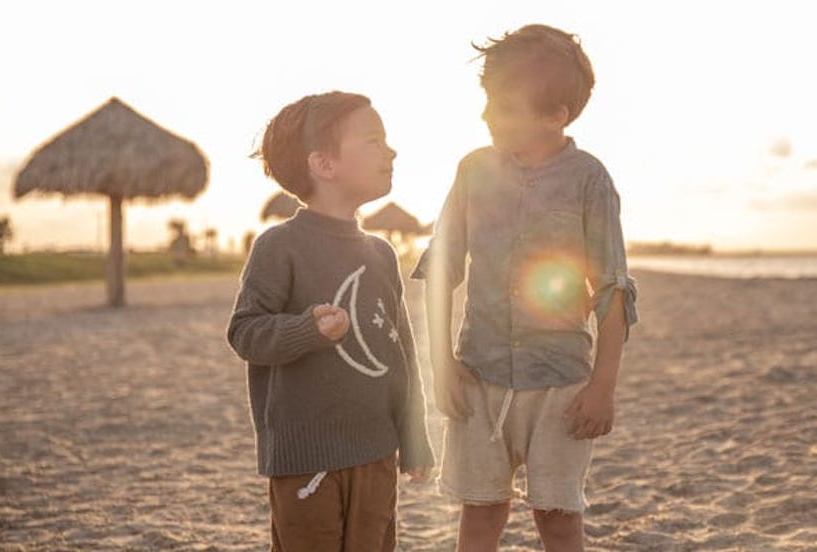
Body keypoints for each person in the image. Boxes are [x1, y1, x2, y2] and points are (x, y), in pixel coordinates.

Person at [412, 24, 639, 552]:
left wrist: (603, 387)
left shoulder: (589, 179)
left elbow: (613, 288)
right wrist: (442, 363)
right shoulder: (472, 171)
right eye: (489, 102)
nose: (488, 116)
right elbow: (443, 268)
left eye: (506, 106)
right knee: (481, 511)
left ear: (555, 115)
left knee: (558, 517)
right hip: (479, 376)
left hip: (561, 382)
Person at [227, 90, 434, 551]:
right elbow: (244, 331)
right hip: (306, 460)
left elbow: (401, 352)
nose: (391, 151)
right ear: (325, 165)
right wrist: (307, 329)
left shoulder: (380, 254)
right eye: (374, 141)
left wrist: (414, 435)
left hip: (377, 452)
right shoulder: (279, 246)